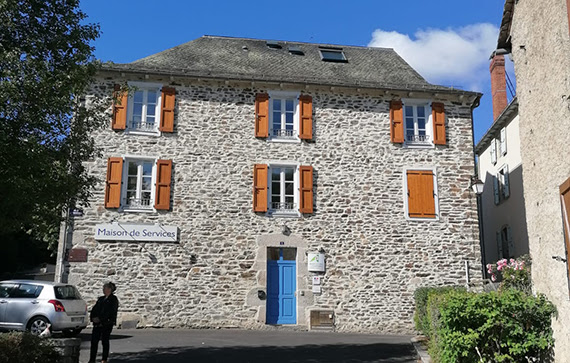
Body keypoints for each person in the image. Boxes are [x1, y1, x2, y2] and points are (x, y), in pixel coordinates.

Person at [88, 282, 119, 363]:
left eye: (104, 288)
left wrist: (101, 319)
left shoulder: (113, 299)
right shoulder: (101, 299)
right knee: (94, 341)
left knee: (105, 341)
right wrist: (93, 318)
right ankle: (92, 359)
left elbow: (111, 312)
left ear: (109, 289)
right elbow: (95, 309)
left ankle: (104, 359)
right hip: (97, 324)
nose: (103, 290)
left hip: (106, 323)